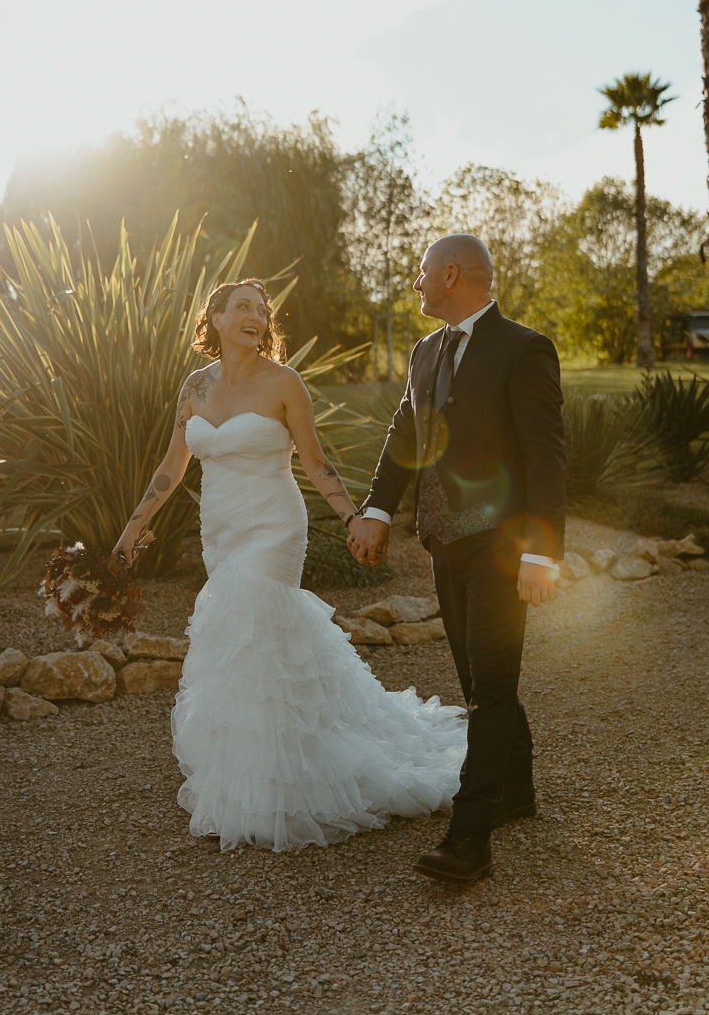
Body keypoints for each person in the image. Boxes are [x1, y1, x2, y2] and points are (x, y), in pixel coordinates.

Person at [111, 277, 468, 853]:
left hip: (273, 527)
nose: (255, 316)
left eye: (262, 309)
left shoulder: (284, 383)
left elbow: (316, 463)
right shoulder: (195, 387)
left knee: (249, 617)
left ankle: (283, 792)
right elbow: (172, 467)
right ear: (217, 319)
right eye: (243, 307)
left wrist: (355, 519)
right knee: (243, 647)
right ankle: (245, 786)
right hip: (221, 531)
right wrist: (132, 529)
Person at [348, 235, 566, 885]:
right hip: (444, 541)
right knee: (478, 680)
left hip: (502, 546)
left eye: (422, 273)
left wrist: (541, 551)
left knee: (491, 687)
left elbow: (545, 455)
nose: (415, 284)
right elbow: (404, 434)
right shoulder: (425, 351)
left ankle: (470, 839)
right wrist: (377, 509)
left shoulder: (524, 349)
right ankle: (516, 792)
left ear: (450, 275)